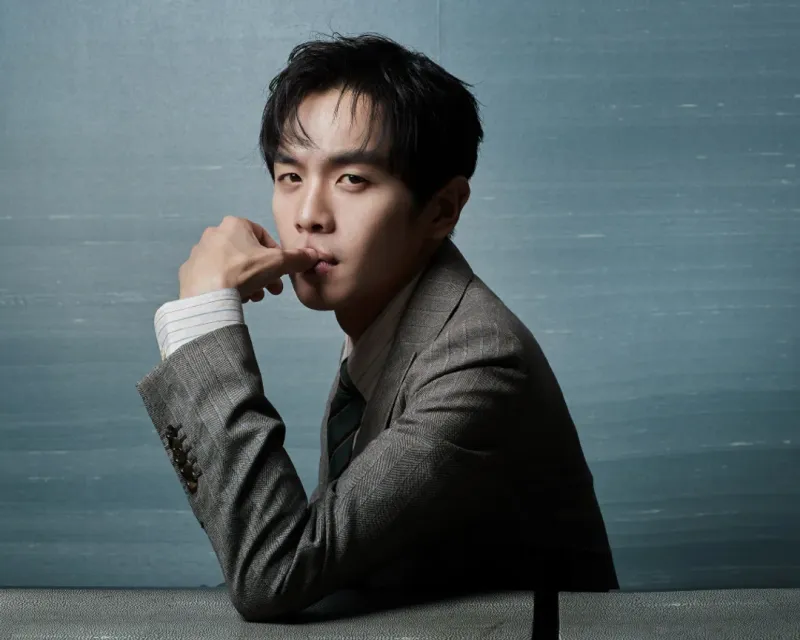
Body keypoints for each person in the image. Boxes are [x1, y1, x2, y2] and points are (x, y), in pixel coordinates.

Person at [135, 32, 619, 622]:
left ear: (442, 208)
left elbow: (274, 572)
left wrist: (203, 319)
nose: (309, 215)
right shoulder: (387, 317)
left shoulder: (479, 360)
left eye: (352, 180)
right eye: (290, 176)